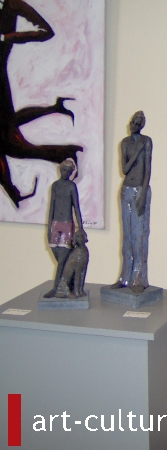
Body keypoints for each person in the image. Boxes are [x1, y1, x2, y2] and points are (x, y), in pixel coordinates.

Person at [0, 0, 82, 207]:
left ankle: (14, 190)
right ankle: (13, 190)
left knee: (10, 142)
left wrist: (9, 37)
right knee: (9, 137)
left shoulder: (12, 4)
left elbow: (46, 32)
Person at [110, 111, 152, 294]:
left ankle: (139, 278)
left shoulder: (147, 141)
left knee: (139, 235)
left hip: (140, 191)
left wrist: (143, 194)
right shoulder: (125, 143)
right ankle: (125, 277)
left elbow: (147, 169)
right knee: (127, 236)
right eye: (132, 122)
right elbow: (125, 169)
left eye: (137, 122)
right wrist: (136, 152)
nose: (133, 125)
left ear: (141, 125)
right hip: (126, 190)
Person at [43, 158, 83, 298]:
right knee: (57, 254)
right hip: (55, 223)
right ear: (60, 169)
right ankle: (68, 282)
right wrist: (49, 227)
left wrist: (81, 227)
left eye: (69, 171)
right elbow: (51, 207)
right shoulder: (55, 186)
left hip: (67, 225)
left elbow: (76, 208)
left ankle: (56, 288)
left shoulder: (72, 187)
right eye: (64, 170)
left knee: (62, 259)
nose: (66, 173)